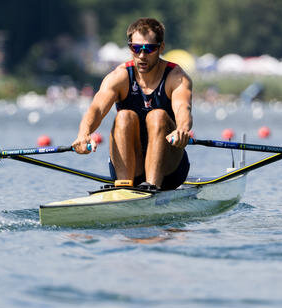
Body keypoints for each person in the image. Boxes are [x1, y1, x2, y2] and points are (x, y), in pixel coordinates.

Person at [72, 17, 192, 191]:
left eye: (149, 49)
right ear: (130, 48)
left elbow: (183, 107)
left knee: (157, 115)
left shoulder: (176, 77)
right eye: (136, 48)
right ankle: (124, 187)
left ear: (161, 48)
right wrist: (84, 134)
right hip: (129, 165)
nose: (142, 55)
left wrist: (182, 129)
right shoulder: (120, 76)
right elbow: (96, 108)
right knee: (124, 116)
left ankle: (152, 186)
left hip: (169, 169)